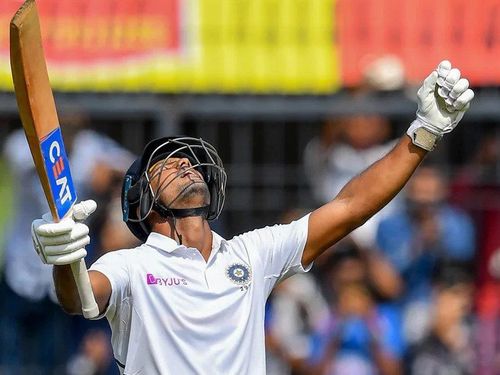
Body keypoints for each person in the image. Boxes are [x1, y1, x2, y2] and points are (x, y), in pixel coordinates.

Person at [30, 60, 474, 374]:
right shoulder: (131, 265)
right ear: (144, 205)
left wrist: (424, 132)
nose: (186, 164)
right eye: (167, 166)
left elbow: (351, 206)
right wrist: (64, 259)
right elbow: (80, 299)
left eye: (189, 161)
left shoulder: (250, 254)